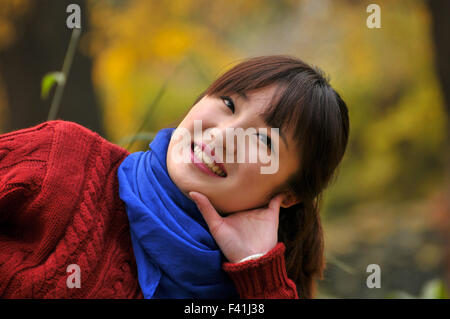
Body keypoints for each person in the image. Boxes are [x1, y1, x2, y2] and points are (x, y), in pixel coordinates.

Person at [0, 55, 349, 299]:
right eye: (228, 104)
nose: (223, 137)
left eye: (262, 140)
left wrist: (257, 273)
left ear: (289, 195)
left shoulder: (249, 290)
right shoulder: (61, 159)